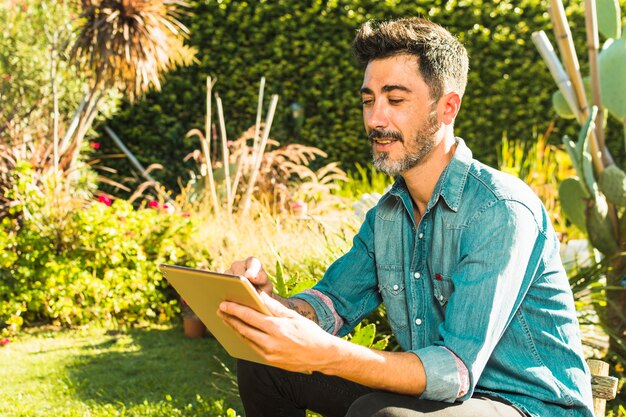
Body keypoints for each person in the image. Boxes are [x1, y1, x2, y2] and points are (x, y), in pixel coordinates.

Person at [218, 17, 594, 417]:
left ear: (447, 107)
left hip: (527, 405)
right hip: (443, 400)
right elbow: (334, 303)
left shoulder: (500, 210)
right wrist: (270, 306)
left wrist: (328, 354)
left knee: (383, 415)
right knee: (265, 366)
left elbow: (455, 370)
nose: (375, 119)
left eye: (395, 100)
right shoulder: (388, 215)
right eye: (368, 100)